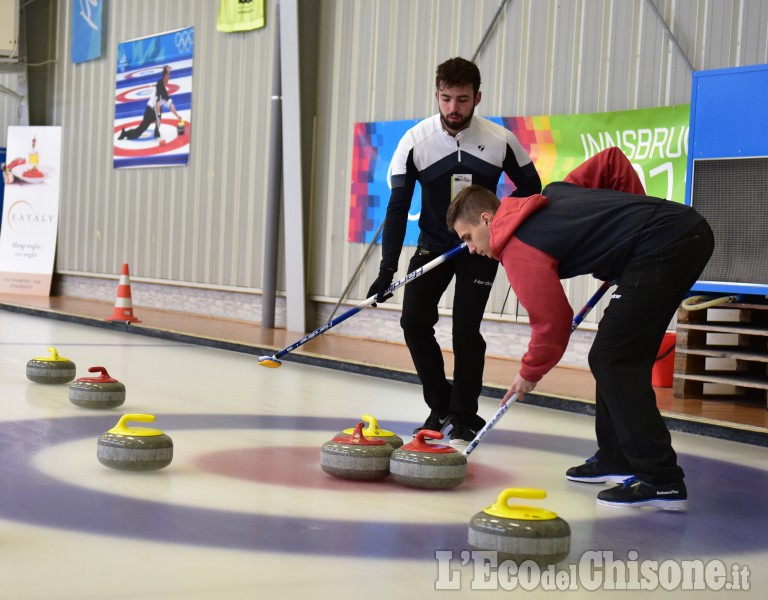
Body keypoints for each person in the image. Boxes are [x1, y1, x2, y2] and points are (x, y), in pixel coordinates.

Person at [446, 147, 714, 510]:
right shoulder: (553, 194)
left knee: (611, 357)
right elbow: (611, 163)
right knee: (614, 355)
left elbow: (553, 324)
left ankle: (661, 480)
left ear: (487, 219)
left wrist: (529, 374)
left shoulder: (517, 249)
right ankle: (616, 457)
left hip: (667, 244)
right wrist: (635, 223)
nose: (470, 249)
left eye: (467, 238)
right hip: (676, 236)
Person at [366, 57, 542, 447]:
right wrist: (387, 269)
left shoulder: (501, 141)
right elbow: (397, 208)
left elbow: (533, 191)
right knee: (413, 322)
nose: (453, 109)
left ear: (477, 97)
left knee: (465, 330)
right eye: (445, 99)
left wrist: (504, 233)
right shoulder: (415, 141)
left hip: (478, 250)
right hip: (432, 246)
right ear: (437, 95)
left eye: (462, 100)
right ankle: (440, 406)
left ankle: (464, 414)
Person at [119, 65, 183, 140]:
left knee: (159, 111)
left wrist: (177, 115)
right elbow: (157, 102)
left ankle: (156, 131)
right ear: (165, 76)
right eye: (168, 76)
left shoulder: (165, 93)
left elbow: (170, 105)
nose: (169, 78)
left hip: (156, 110)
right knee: (140, 130)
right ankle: (125, 133)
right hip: (150, 111)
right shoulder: (159, 84)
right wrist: (166, 70)